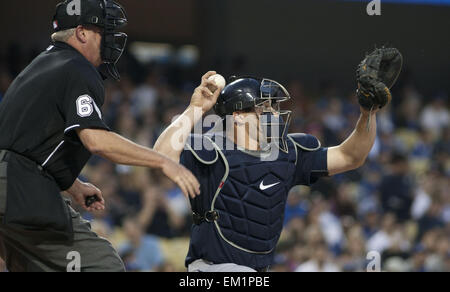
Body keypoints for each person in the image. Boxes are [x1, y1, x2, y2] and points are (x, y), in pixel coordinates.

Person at [153, 48, 402, 272]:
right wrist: (195, 109)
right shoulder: (212, 149)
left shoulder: (287, 152)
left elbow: (351, 156)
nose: (274, 113)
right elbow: (160, 157)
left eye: (274, 107)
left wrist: (368, 112)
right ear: (238, 115)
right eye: (265, 108)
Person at [0, 0, 199, 272]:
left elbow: (25, 145)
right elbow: (96, 140)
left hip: (12, 186)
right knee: (103, 264)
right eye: (104, 31)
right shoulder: (77, 67)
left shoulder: (41, 66)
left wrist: (73, 186)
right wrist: (162, 161)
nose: (111, 40)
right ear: (82, 33)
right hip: (20, 191)